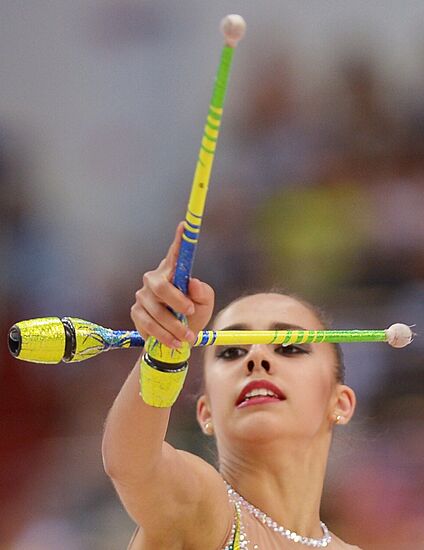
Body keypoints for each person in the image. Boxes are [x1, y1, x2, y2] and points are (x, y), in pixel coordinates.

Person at [102, 223, 360, 549]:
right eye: (232, 352)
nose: (256, 359)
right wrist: (165, 345)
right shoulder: (200, 510)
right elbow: (132, 466)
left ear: (340, 403)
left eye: (290, 347)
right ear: (205, 411)